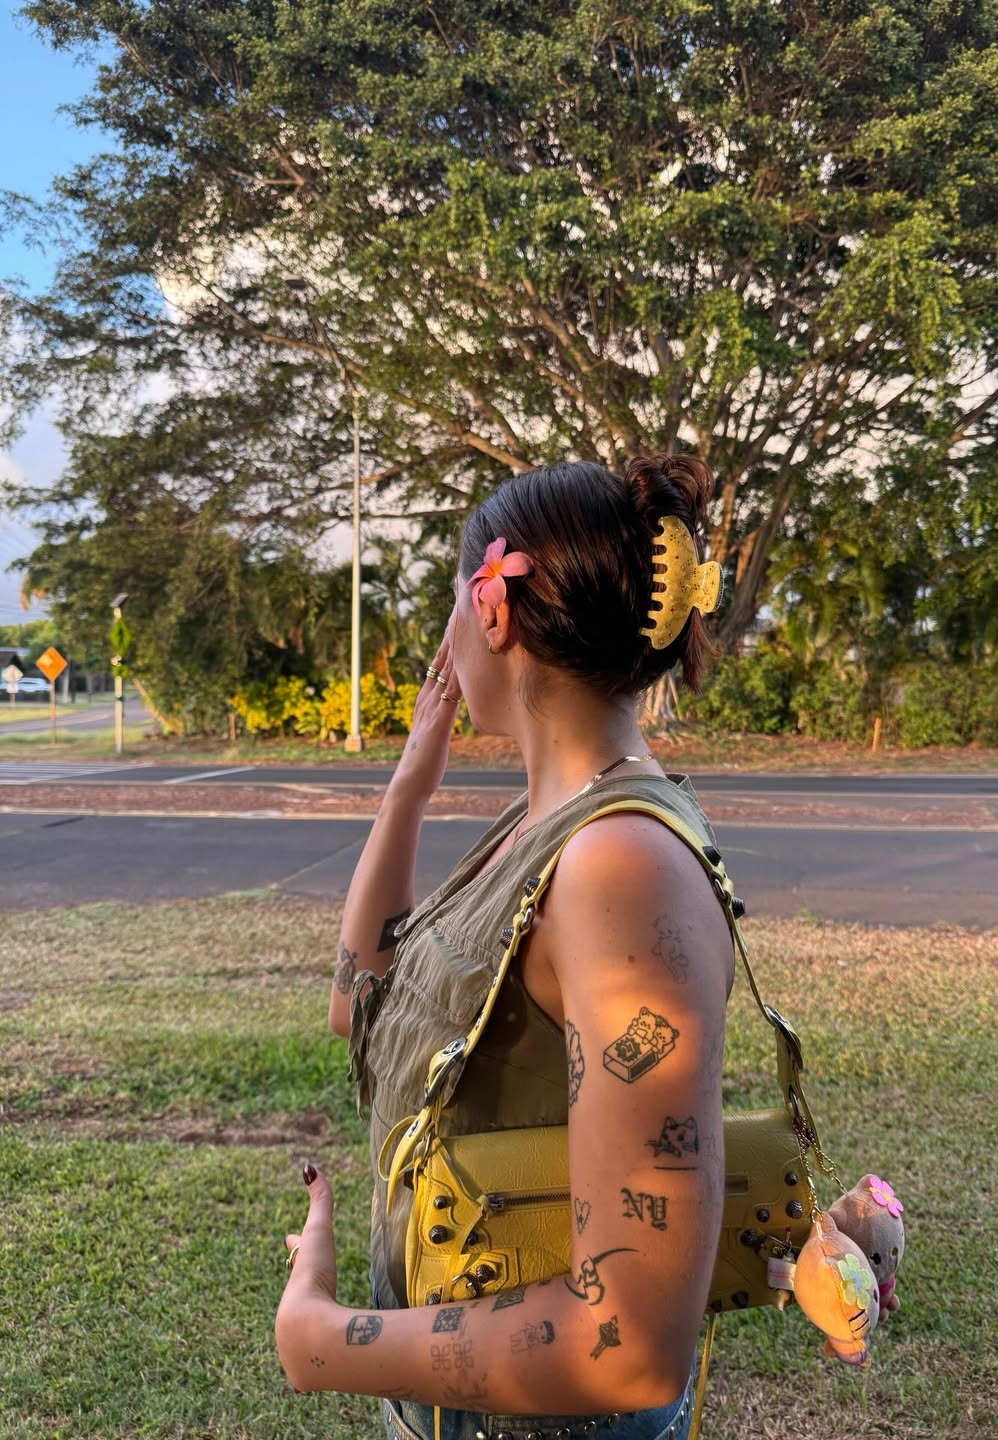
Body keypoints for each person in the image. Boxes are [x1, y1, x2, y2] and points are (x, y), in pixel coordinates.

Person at [275, 455, 734, 1440]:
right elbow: (360, 1005)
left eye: (454, 602)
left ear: (492, 611)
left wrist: (326, 1341)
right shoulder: (547, 826)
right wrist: (410, 784)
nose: (445, 635)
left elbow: (631, 1342)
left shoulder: (620, 866)